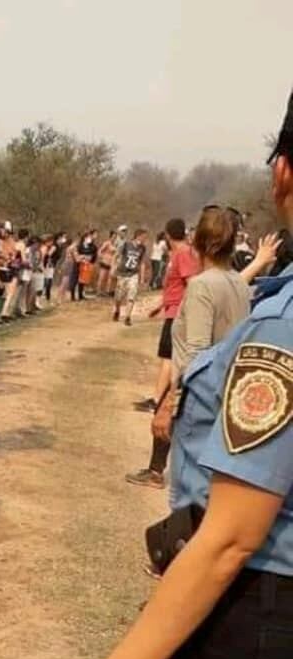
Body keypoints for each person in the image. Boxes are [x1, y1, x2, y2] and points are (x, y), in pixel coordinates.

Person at [60, 88, 293, 659]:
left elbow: (232, 537)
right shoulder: (260, 296)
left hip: (257, 627)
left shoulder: (282, 327)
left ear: (282, 173)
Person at [125, 208, 273, 491]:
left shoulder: (202, 287)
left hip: (196, 397)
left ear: (197, 243)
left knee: (189, 495)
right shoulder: (238, 285)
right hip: (222, 391)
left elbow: (196, 353)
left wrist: (169, 405)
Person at [133, 219, 199, 413]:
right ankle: (159, 398)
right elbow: (176, 287)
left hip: (178, 314)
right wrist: (160, 305)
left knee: (169, 357)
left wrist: (184, 311)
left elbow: (192, 284)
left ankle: (159, 400)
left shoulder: (184, 254)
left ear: (168, 235)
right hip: (172, 310)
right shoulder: (178, 254)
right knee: (167, 356)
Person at [112, 228, 147, 326]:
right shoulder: (126, 245)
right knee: (118, 297)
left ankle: (128, 317)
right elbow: (116, 255)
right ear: (138, 236)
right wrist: (113, 268)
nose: (145, 239)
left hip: (133, 274)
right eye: (144, 237)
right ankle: (117, 310)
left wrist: (142, 278)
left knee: (132, 295)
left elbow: (142, 263)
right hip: (122, 273)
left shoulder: (143, 248)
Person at [96, 231, 116, 297]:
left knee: (108, 278)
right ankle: (98, 291)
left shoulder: (114, 244)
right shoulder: (107, 243)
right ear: (110, 236)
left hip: (111, 263)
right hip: (105, 262)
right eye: (113, 236)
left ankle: (106, 291)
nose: (114, 238)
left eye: (115, 237)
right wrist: (101, 257)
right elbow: (99, 250)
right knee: (102, 277)